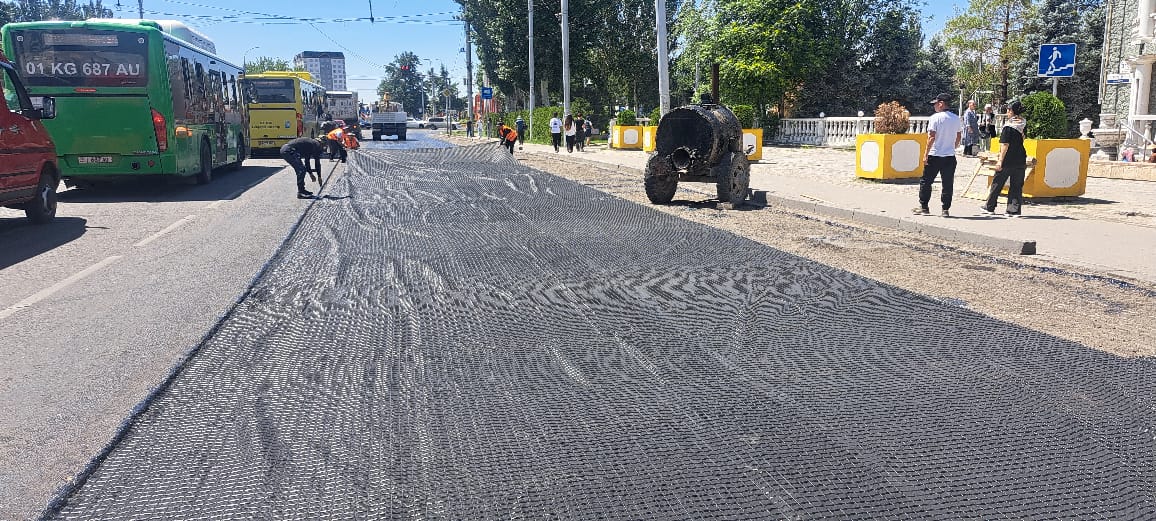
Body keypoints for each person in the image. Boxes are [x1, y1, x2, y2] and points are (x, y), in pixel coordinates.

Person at [915, 93, 962, 217]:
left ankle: (924, 207)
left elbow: (931, 137)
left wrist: (925, 154)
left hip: (935, 154)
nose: (934, 106)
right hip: (949, 156)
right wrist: (953, 147)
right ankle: (945, 209)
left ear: (941, 104)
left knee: (926, 181)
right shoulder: (956, 118)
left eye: (936, 104)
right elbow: (958, 136)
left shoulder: (935, 118)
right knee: (947, 183)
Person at [981, 100, 1027, 217]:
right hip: (1020, 158)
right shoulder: (1023, 124)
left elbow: (1005, 144)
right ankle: (1013, 210)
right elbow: (1023, 139)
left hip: (1007, 159)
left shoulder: (1008, 127)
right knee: (1016, 185)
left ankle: (990, 206)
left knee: (997, 183)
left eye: (1008, 109)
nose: (1007, 112)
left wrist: (1000, 161)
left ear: (1012, 111)